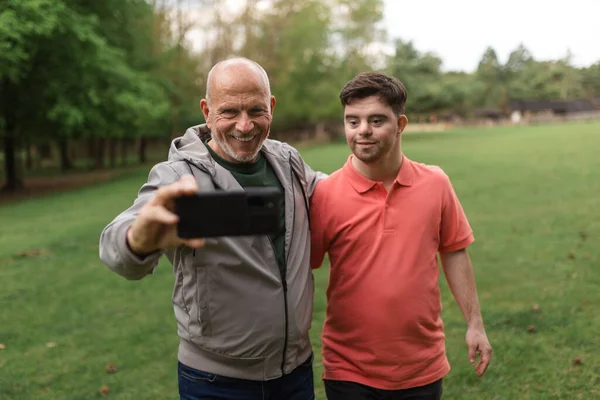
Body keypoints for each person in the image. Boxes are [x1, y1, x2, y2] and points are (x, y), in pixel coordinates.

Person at [99, 57, 325, 400]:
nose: (245, 126)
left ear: (272, 107)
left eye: (255, 110)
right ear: (206, 110)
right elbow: (115, 248)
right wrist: (138, 238)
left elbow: (336, 195)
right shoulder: (177, 176)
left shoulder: (288, 161)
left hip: (295, 372)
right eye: (229, 112)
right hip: (216, 383)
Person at [310, 72, 492, 400]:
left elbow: (454, 252)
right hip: (348, 369)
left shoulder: (435, 183)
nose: (362, 130)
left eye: (376, 120)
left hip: (422, 367)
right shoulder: (325, 193)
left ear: (401, 124)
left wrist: (474, 323)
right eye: (353, 121)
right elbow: (299, 270)